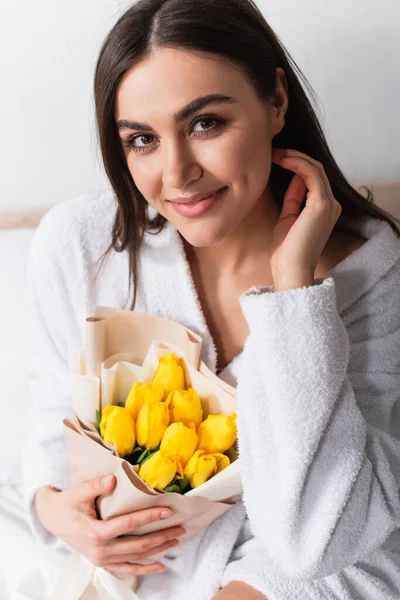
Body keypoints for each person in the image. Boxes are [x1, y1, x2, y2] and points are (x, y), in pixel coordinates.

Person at [22, 0, 400, 598]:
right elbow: (47, 421)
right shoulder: (80, 245)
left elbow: (322, 539)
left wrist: (294, 294)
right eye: (142, 139)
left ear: (276, 101)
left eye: (205, 124)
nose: (176, 174)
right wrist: (52, 509)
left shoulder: (372, 280)